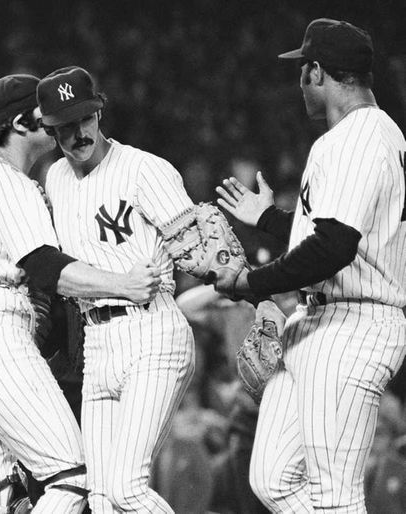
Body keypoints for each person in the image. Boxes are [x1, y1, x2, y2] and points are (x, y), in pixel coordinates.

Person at [0, 73, 162, 514]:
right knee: (72, 479)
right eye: (41, 114)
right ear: (18, 123)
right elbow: (48, 270)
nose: (53, 121)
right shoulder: (8, 181)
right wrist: (122, 284)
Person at [214, 18, 406, 512]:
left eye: (302, 70)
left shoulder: (357, 137)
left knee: (335, 497)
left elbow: (335, 247)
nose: (299, 82)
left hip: (354, 323)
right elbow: (335, 234)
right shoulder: (365, 137)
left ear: (317, 72)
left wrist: (250, 281)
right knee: (273, 478)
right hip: (319, 320)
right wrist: (271, 219)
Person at [37, 65, 196, 513]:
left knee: (127, 488)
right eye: (64, 126)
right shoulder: (56, 179)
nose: (77, 134)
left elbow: (197, 244)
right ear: (50, 130)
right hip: (98, 342)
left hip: (152, 332)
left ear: (100, 111)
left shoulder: (145, 169)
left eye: (84, 119)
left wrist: (257, 295)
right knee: (104, 501)